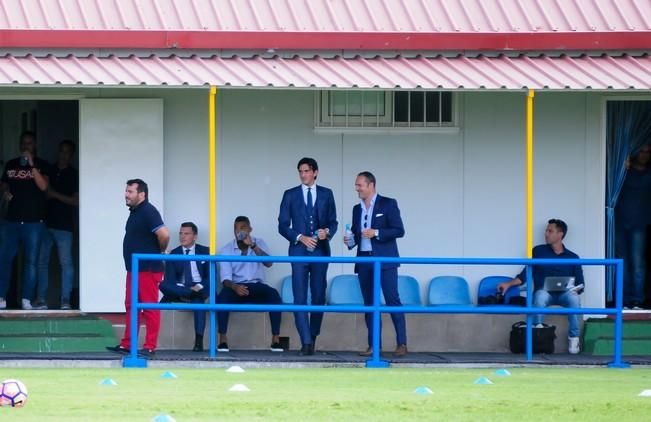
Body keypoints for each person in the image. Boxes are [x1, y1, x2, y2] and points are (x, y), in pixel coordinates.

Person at [497, 219, 585, 354]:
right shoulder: (538, 251)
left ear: (560, 234)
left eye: (550, 231)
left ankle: (574, 338)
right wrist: (509, 284)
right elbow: (525, 274)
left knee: (574, 299)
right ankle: (537, 334)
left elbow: (581, 284)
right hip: (545, 293)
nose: (546, 234)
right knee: (540, 295)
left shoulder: (573, 257)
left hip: (564, 294)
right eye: (546, 230)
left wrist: (574, 290)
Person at [278, 157, 337, 356]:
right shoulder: (290, 195)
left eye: (306, 171)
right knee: (300, 296)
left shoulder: (327, 194)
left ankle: (313, 335)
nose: (303, 175)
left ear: (315, 172)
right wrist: (300, 237)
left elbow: (333, 222)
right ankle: (305, 341)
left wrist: (326, 232)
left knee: (319, 295)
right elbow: (282, 225)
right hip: (298, 251)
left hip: (321, 251)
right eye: (300, 171)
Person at [344, 171, 407, 357]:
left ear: (371, 185)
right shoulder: (357, 209)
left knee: (392, 300)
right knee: (370, 303)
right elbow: (356, 234)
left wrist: (377, 232)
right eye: (356, 185)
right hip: (364, 259)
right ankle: (374, 346)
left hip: (384, 260)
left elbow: (399, 230)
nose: (357, 188)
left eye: (359, 185)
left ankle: (402, 343)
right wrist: (349, 240)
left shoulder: (388, 203)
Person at [107, 179, 169, 358]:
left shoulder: (148, 211)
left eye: (130, 192)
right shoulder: (135, 212)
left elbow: (164, 234)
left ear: (141, 194)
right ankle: (128, 344)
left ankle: (150, 347)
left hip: (147, 268)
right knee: (131, 306)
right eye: (126, 191)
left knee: (149, 306)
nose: (126, 194)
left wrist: (160, 251)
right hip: (134, 268)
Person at [217, 216, 283, 352]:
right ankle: (222, 339)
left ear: (250, 229)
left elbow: (269, 263)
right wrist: (235, 287)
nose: (239, 231)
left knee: (274, 295)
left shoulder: (259, 243)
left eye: (243, 228)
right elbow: (225, 279)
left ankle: (275, 339)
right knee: (222, 298)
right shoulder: (227, 249)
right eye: (236, 228)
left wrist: (253, 245)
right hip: (236, 287)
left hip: (256, 286)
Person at [0, 131, 49, 310]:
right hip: (11, 221)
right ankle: (1, 297)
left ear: (34, 145)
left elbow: (44, 186)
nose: (25, 146)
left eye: (29, 143)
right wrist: (5, 191)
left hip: (34, 222)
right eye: (23, 143)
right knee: (5, 258)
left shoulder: (42, 164)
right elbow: (4, 183)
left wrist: (31, 165)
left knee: (31, 261)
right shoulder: (11, 164)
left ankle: (27, 299)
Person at [35, 140, 79, 310]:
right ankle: (40, 299)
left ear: (72, 155)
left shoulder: (74, 174)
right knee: (41, 262)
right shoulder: (49, 169)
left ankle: (65, 300)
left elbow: (76, 201)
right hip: (45, 222)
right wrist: (53, 195)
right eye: (61, 151)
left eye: (67, 152)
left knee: (66, 263)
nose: (63, 155)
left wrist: (54, 194)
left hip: (65, 225)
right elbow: (42, 194)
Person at [160, 222, 210, 352]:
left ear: (195, 236)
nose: (182, 236)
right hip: (181, 289)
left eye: (186, 233)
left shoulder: (205, 251)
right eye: (181, 233)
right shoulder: (174, 254)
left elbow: (210, 277)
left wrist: (198, 287)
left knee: (198, 302)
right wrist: (187, 290)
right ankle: (190, 293)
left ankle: (199, 341)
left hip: (199, 289)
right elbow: (169, 281)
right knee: (163, 285)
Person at [615, 144, 651, 309]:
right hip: (621, 222)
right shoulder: (623, 172)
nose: (645, 155)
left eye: (648, 152)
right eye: (642, 151)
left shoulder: (648, 173)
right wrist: (622, 164)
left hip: (640, 223)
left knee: (637, 263)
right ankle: (624, 299)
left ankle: (637, 299)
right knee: (622, 262)